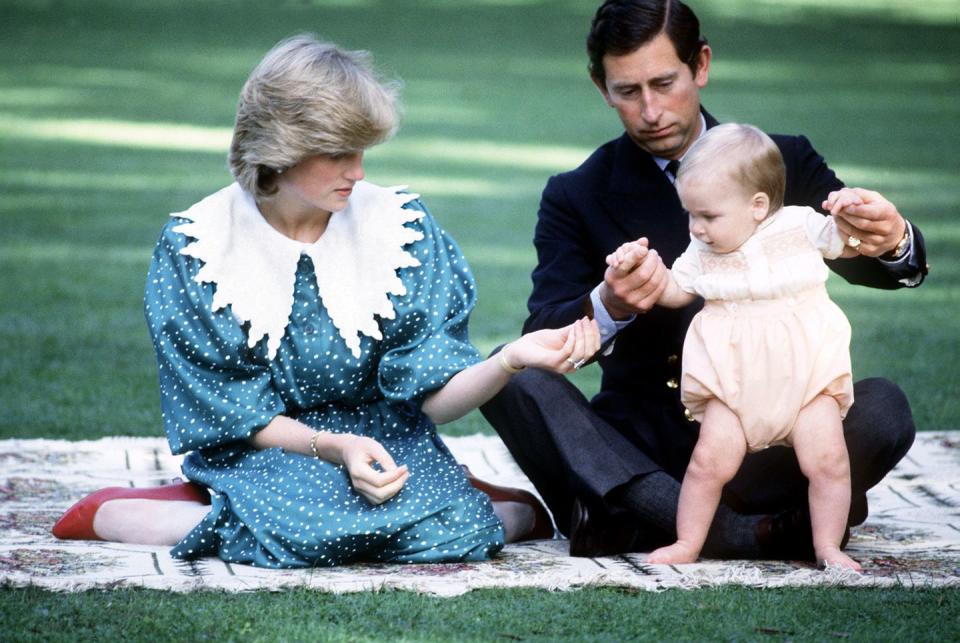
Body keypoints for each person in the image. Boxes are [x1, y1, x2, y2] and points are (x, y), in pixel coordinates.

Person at [52, 35, 602, 569]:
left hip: (387, 440)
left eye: (362, 151)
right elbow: (231, 412)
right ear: (280, 150)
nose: (358, 173)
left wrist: (509, 359)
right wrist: (333, 447)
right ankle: (177, 509)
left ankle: (428, 496)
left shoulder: (400, 231)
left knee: (468, 531)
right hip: (265, 448)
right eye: (338, 154)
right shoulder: (200, 247)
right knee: (312, 531)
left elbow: (430, 399)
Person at [480, 0, 928, 561]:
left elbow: (869, 261)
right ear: (601, 87)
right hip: (642, 452)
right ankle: (745, 532)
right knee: (512, 371)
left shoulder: (782, 160)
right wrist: (610, 303)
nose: (650, 110)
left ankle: (638, 523)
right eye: (627, 91)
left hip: (779, 437)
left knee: (884, 406)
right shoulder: (576, 193)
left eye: (665, 83)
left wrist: (891, 238)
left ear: (701, 65)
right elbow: (543, 332)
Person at [612, 123, 862, 569]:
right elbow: (675, 290)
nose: (697, 228)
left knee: (828, 461)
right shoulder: (700, 251)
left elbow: (844, 241)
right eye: (690, 214)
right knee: (707, 461)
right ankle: (688, 543)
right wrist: (645, 269)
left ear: (758, 206)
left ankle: (827, 546)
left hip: (806, 374)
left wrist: (848, 210)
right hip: (734, 378)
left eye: (708, 216)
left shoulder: (800, 226)